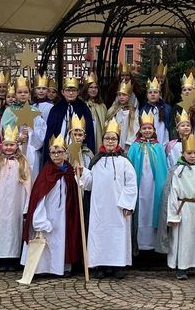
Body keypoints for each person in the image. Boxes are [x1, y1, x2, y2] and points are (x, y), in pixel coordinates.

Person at [156, 135, 195, 280]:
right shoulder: (176, 171)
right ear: (182, 154)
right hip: (183, 209)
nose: (192, 156)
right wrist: (172, 215)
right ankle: (182, 267)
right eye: (189, 153)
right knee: (183, 239)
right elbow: (171, 193)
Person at [81, 120, 138, 279]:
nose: (110, 142)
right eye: (107, 139)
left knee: (118, 236)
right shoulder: (96, 161)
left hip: (119, 207)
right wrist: (83, 173)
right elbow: (90, 184)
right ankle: (100, 265)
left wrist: (127, 204)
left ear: (118, 141)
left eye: (113, 139)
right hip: (99, 207)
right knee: (99, 234)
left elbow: (131, 184)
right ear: (103, 140)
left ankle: (117, 266)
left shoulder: (125, 162)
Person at [20, 136, 84, 278]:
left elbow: (82, 185)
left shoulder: (70, 171)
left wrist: (81, 175)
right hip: (48, 214)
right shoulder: (46, 172)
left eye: (60, 152)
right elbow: (39, 197)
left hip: (65, 215)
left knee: (63, 239)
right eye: (53, 153)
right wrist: (40, 219)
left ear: (66, 153)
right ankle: (42, 268)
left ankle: (62, 268)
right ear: (49, 154)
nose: (57, 155)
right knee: (46, 240)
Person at [0, 127, 32, 272]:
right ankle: (1, 259)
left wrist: (26, 206)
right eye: (6, 145)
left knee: (14, 231)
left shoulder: (23, 163)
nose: (9, 148)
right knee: (0, 231)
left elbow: (28, 186)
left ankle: (13, 260)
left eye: (12, 145)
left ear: (17, 145)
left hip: (16, 204)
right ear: (1, 145)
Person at [127, 111, 170, 253]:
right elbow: (130, 165)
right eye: (144, 128)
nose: (147, 131)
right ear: (140, 130)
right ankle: (139, 243)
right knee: (141, 210)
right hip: (139, 184)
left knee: (152, 208)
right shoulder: (134, 146)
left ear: (154, 130)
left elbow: (162, 168)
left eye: (149, 128)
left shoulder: (158, 147)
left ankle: (152, 243)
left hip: (154, 184)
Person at [44, 76, 96, 169]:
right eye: (68, 90)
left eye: (74, 90)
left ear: (78, 92)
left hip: (78, 151)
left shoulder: (84, 109)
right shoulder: (56, 109)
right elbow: (50, 134)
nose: (71, 93)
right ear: (63, 92)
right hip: (59, 151)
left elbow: (90, 133)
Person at [1, 77, 47, 181]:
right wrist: (16, 139)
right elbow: (4, 130)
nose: (23, 94)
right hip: (14, 152)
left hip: (31, 151)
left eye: (25, 92)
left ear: (29, 94)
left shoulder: (35, 111)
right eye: (20, 92)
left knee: (31, 179)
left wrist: (30, 133)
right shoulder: (9, 112)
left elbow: (41, 132)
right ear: (15, 94)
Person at [138, 78, 173, 148]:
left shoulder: (166, 108)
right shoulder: (143, 110)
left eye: (155, 92)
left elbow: (170, 125)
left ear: (160, 94)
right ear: (147, 95)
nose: (153, 95)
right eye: (150, 92)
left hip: (164, 140)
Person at [108, 81, 140, 150]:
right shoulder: (114, 110)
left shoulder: (134, 111)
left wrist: (129, 143)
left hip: (127, 143)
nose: (121, 97)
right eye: (119, 95)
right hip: (115, 141)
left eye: (124, 95)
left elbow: (135, 127)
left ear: (129, 96)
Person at [82, 73, 108, 152]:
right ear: (86, 89)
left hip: (98, 135)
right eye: (91, 87)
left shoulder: (102, 106)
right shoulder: (81, 104)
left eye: (96, 87)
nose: (93, 90)